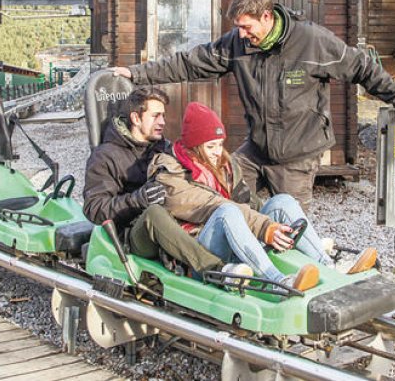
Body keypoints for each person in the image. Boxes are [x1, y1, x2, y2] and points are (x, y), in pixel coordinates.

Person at [114, 0, 395, 208]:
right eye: (238, 27)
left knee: (289, 225)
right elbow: (188, 63)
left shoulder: (311, 41)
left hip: (297, 154)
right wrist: (135, 73)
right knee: (224, 197)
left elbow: (362, 67)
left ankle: (300, 276)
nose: (241, 34)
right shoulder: (237, 45)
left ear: (267, 16)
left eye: (246, 27)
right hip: (257, 149)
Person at [151, 102, 379, 293]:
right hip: (202, 249)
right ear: (194, 146)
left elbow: (247, 201)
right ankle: (278, 281)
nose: (218, 152)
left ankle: (328, 264)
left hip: (236, 235)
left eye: (220, 145)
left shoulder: (224, 165)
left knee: (282, 201)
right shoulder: (170, 171)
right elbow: (213, 205)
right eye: (211, 146)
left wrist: (274, 220)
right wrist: (264, 227)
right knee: (226, 212)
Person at [82, 86, 224, 276]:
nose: (162, 122)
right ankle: (217, 270)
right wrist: (136, 200)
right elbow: (94, 208)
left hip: (176, 225)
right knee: (154, 213)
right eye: (155, 116)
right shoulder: (105, 156)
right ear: (136, 118)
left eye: (163, 116)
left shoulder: (164, 148)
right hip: (134, 234)